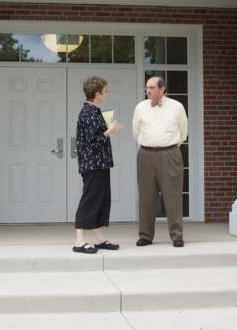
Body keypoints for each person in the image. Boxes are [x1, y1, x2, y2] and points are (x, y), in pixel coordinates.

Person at [132, 76, 188, 247]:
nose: (147, 90)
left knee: (173, 196)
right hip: (146, 155)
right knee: (146, 197)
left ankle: (177, 236)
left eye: (151, 87)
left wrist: (168, 146)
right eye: (146, 87)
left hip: (169, 154)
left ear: (162, 89)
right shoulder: (140, 107)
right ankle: (145, 236)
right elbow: (136, 131)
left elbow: (183, 132)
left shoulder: (176, 107)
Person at [72, 76, 124, 254]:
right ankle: (79, 241)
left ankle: (99, 239)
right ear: (97, 94)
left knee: (101, 201)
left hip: (100, 164)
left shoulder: (94, 111)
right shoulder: (88, 113)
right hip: (93, 165)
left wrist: (108, 130)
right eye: (105, 91)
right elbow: (92, 143)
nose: (106, 94)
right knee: (89, 200)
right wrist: (109, 131)